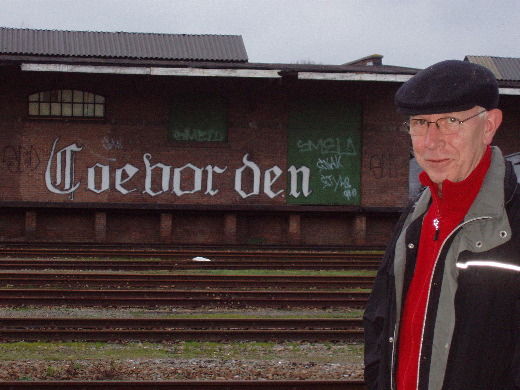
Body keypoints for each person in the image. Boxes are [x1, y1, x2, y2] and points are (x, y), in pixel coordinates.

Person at [363, 59, 520, 390]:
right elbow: (379, 323)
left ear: (489, 125)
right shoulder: (415, 218)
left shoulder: (514, 222)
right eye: (420, 123)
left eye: (450, 121)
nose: (431, 142)